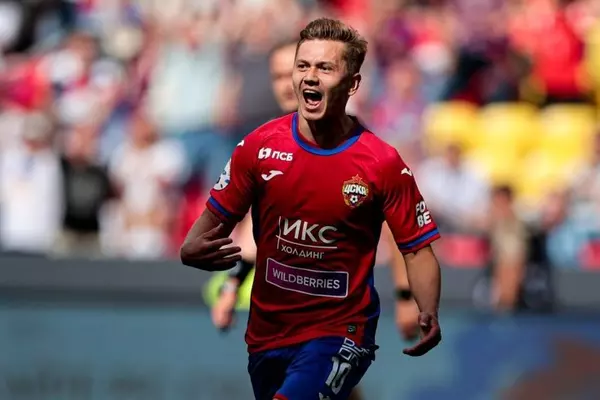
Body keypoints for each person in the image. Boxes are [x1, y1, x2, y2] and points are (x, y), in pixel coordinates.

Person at [181, 18, 442, 400]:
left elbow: (410, 243)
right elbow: (227, 226)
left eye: (324, 68)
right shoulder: (259, 147)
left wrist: (415, 302)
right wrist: (207, 259)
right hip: (268, 334)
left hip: (341, 329)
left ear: (352, 84)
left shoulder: (379, 162)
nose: (309, 78)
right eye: (301, 67)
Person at [211, 40, 420, 343]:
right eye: (278, 76)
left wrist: (406, 295)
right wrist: (232, 286)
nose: (287, 85)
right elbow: (259, 225)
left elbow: (396, 222)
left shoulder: (352, 144)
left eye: (293, 72)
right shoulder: (269, 143)